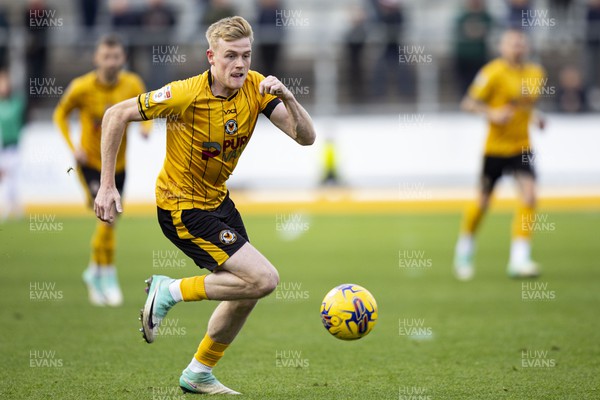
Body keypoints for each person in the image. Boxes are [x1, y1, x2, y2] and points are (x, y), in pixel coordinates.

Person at [94, 16, 315, 394]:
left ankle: (199, 372)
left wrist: (290, 98)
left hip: (218, 201)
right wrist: (107, 185)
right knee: (265, 279)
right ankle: (169, 291)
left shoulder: (258, 89)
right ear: (211, 57)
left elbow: (305, 138)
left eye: (246, 55)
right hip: (182, 207)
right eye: (231, 56)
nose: (240, 64)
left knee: (247, 290)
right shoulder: (185, 94)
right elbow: (116, 114)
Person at [53, 34, 151, 306]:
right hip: (91, 165)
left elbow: (148, 110)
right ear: (96, 58)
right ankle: (106, 275)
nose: (111, 62)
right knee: (106, 217)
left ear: (124, 59)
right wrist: (73, 146)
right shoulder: (81, 87)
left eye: (116, 56)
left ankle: (94, 272)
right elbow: (60, 114)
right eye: (106, 56)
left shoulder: (132, 84)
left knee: (112, 219)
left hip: (119, 165)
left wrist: (145, 128)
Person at [453, 29, 546, 281]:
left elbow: (526, 105)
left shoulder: (535, 73)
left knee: (529, 196)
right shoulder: (491, 73)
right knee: (483, 202)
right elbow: (468, 103)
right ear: (502, 47)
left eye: (521, 44)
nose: (517, 48)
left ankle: (519, 258)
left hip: (521, 147)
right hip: (495, 148)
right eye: (512, 44)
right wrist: (491, 114)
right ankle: (465, 248)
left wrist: (537, 118)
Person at [0, 70, 26, 221]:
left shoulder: (16, 102)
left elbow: (22, 121)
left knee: (11, 178)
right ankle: (14, 206)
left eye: (4, 84)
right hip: (2, 148)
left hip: (14, 147)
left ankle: (10, 208)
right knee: (6, 178)